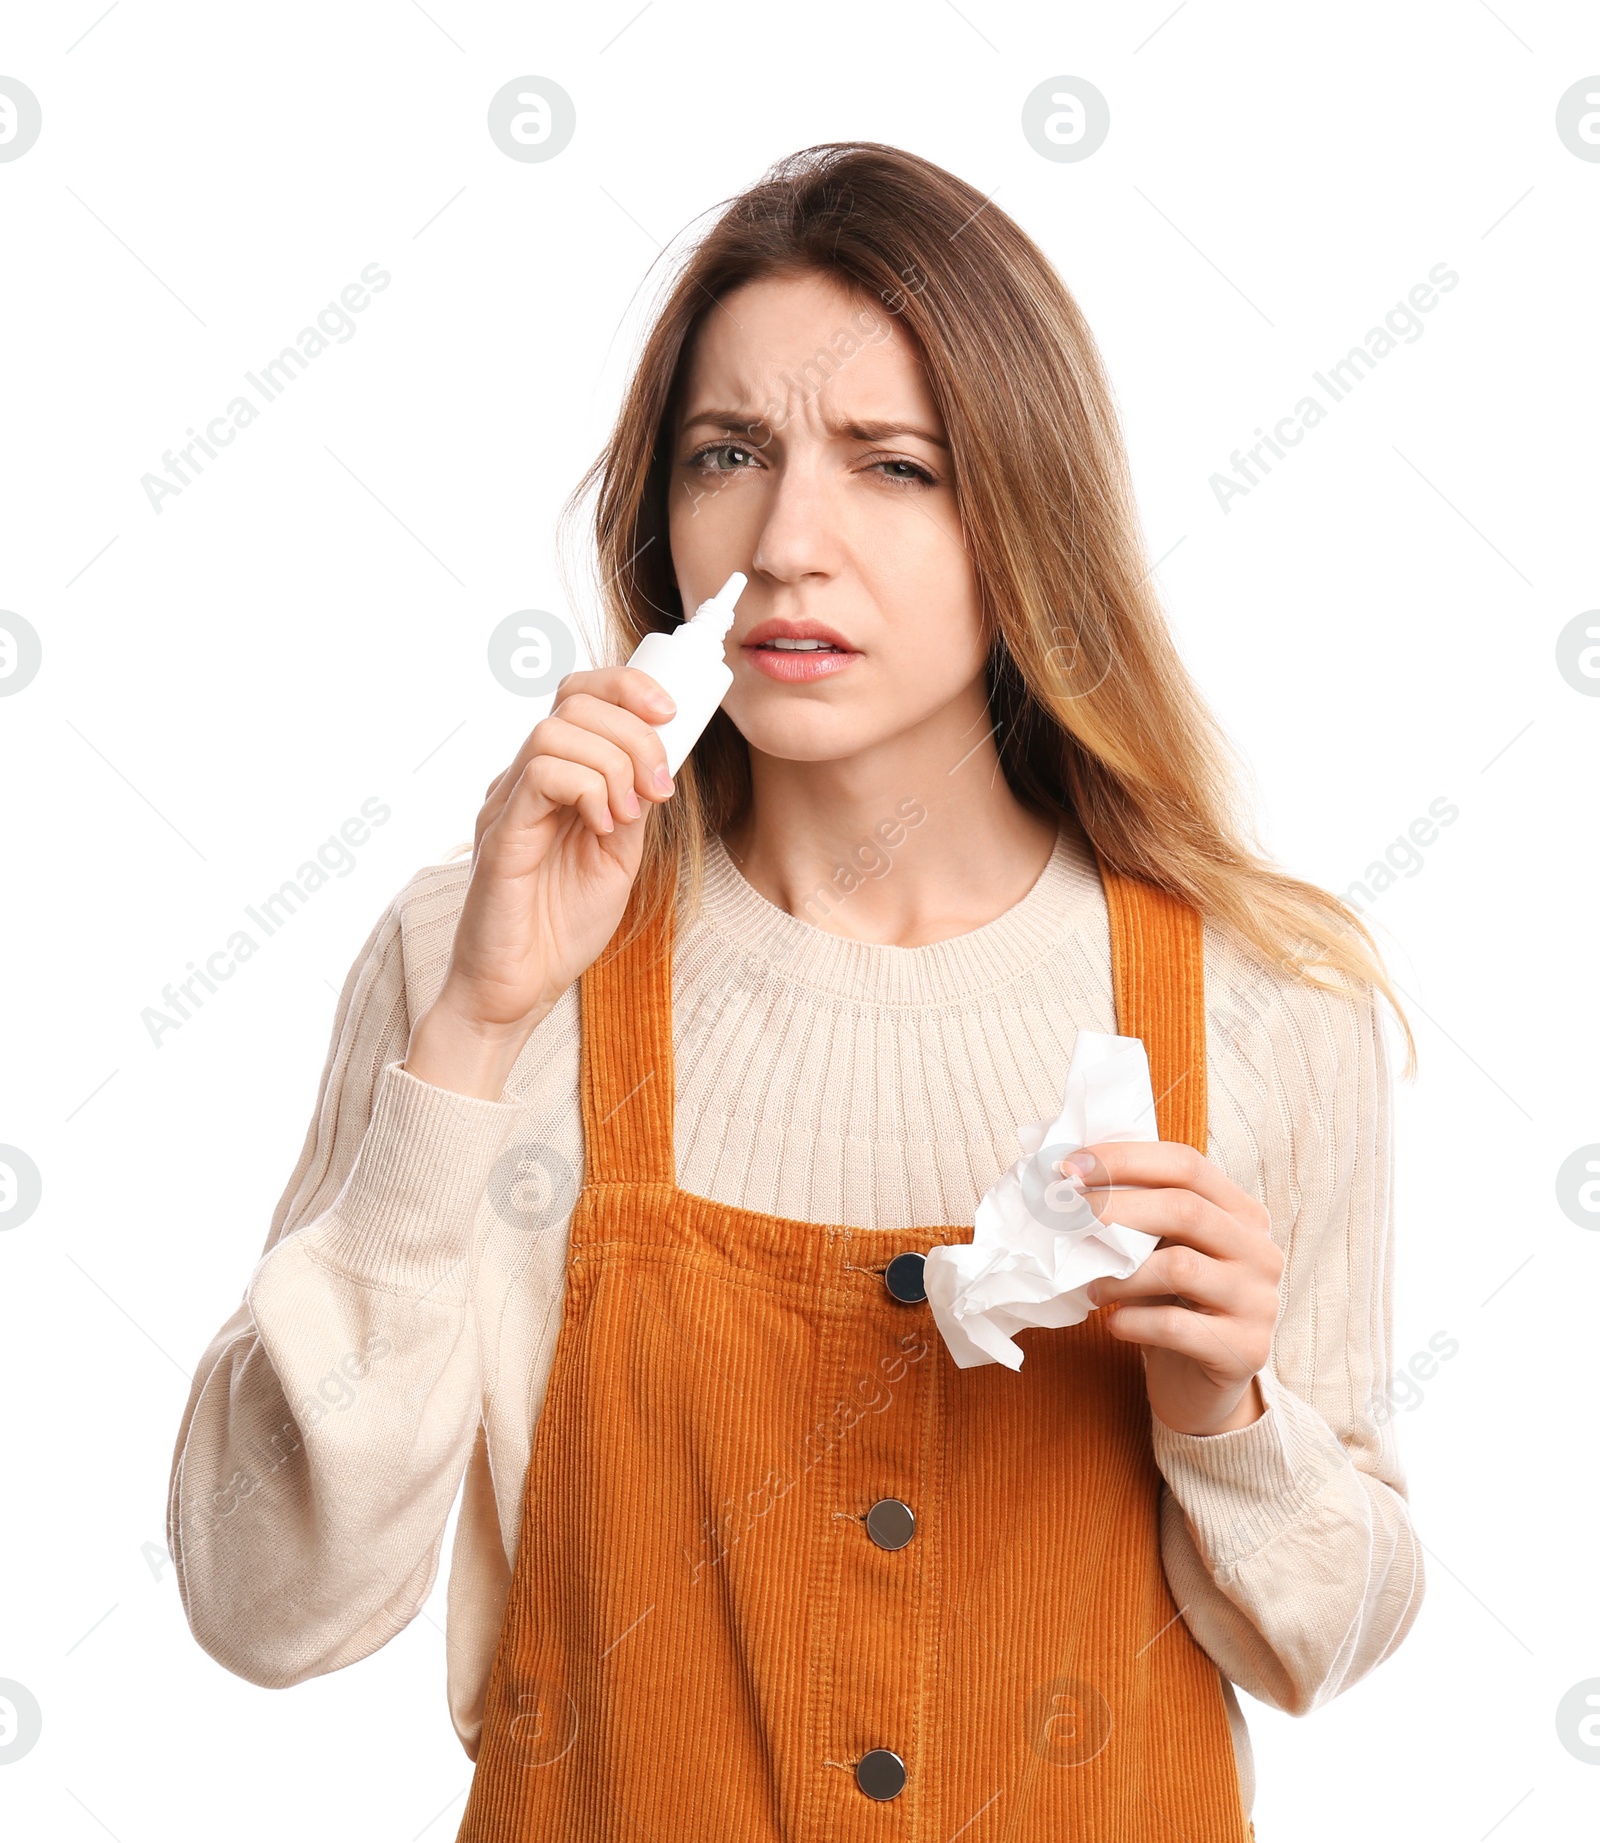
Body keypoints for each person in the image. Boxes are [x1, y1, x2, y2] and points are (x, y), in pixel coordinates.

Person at [167, 142, 1423, 1840]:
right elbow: (263, 1603)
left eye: (892, 466)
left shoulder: (1261, 1000)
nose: (783, 542)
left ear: (1025, 514)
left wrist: (1228, 1412)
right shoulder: (477, 954)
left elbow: (1325, 1644)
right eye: (729, 455)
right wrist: (469, 1038)